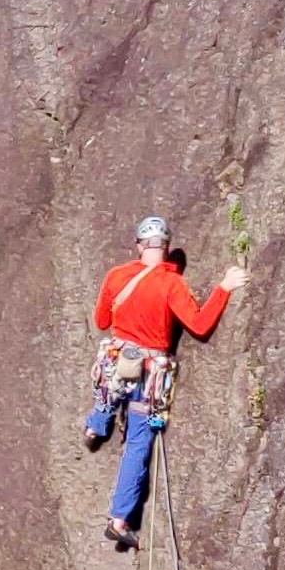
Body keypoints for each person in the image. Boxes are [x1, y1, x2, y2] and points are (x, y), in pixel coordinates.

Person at [86, 217, 247, 552]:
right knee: (138, 443)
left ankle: (95, 426)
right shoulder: (172, 284)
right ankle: (118, 520)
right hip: (151, 372)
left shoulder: (117, 276)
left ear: (139, 245)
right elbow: (200, 325)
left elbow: (102, 321)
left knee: (108, 388)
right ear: (167, 249)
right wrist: (224, 288)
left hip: (116, 358)